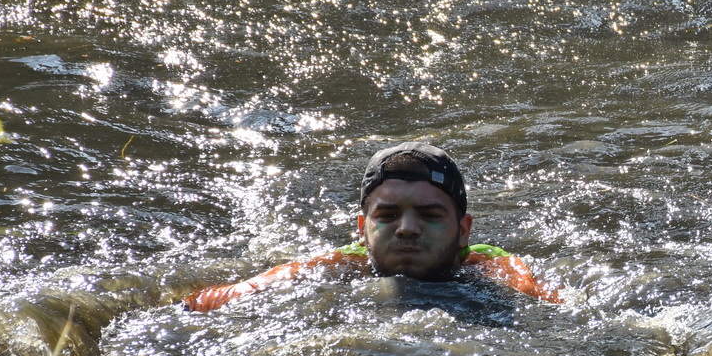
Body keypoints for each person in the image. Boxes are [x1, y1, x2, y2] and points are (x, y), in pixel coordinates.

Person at [183, 143, 560, 312]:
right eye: (388, 215)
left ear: (463, 231)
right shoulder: (342, 264)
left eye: (430, 215)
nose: (407, 229)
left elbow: (543, 301)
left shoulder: (486, 265)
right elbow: (243, 292)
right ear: (362, 228)